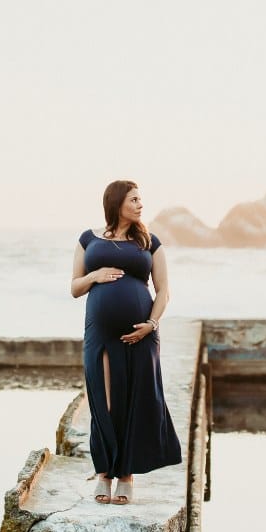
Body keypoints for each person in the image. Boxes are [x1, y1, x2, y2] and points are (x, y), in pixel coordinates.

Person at [70, 180, 182, 504]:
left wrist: (151, 323)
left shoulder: (149, 242)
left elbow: (163, 291)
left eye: (140, 199)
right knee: (103, 404)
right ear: (117, 202)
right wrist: (96, 275)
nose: (140, 204)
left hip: (140, 336)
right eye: (134, 199)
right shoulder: (88, 239)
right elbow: (75, 287)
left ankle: (126, 476)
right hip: (100, 334)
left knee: (132, 402)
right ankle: (104, 473)